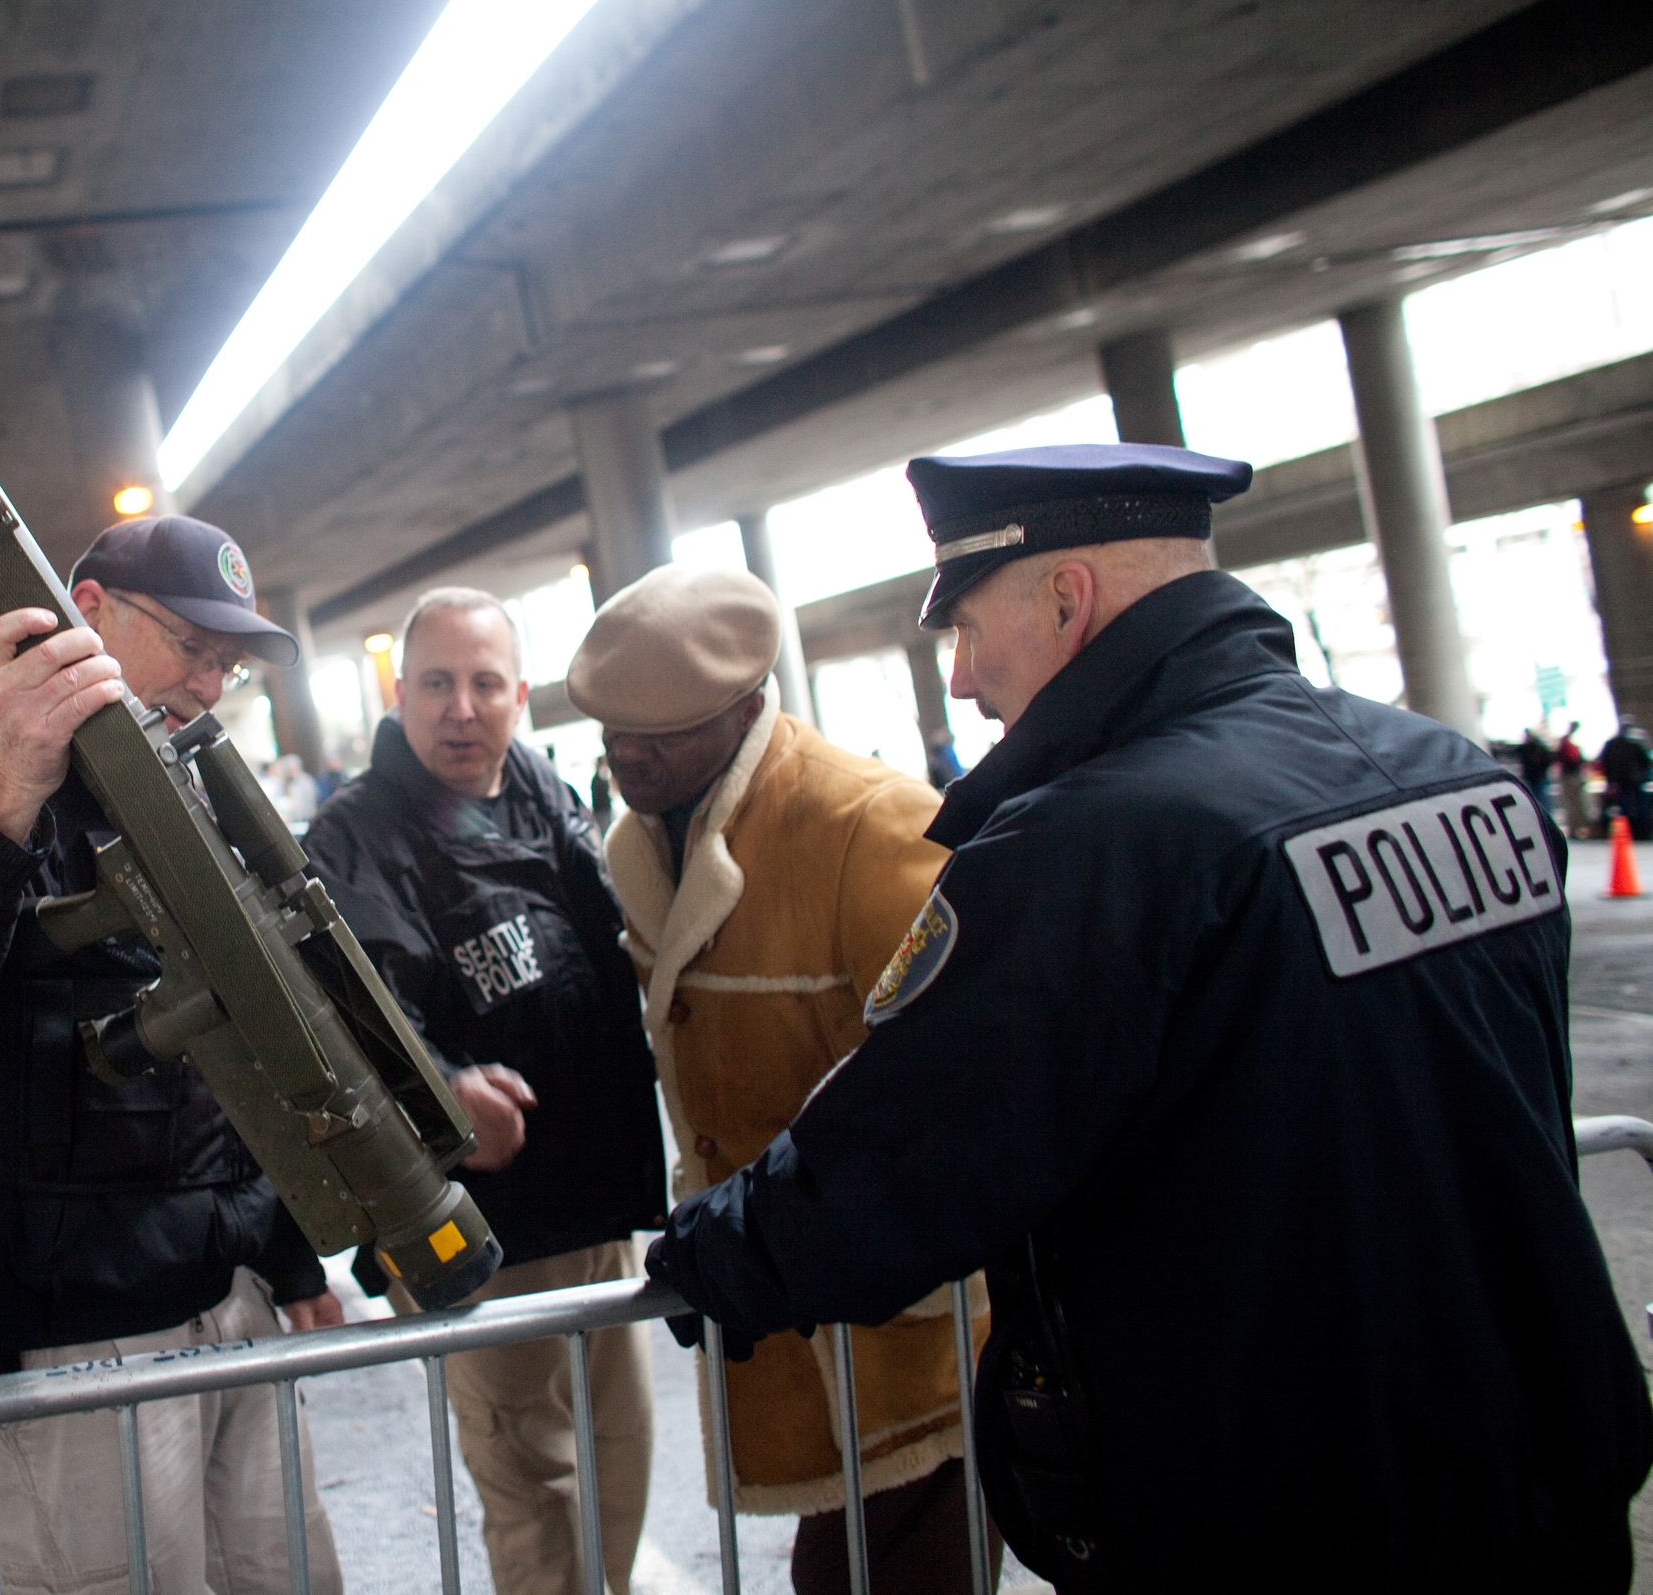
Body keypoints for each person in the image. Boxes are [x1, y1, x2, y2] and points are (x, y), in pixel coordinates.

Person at [645, 444, 1653, 1592]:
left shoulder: (1096, 843)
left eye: (966, 628)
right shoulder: (1457, 775)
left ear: (1066, 598)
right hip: (1546, 1462)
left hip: (1285, 1512)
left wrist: (709, 1253)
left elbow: (906, 1161)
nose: (963, 679)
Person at [0, 515, 345, 1595]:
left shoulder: (182, 786)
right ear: (88, 612)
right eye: (191, 645)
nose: (209, 684)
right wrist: (4, 793)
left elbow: (239, 1042)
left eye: (226, 663)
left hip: (229, 1293)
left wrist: (284, 1258)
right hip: (60, 1329)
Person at [566, 566, 988, 1595]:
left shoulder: (868, 823)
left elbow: (959, 1085)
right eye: (615, 732)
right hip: (782, 1294)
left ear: (749, 706)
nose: (629, 755)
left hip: (901, 1317)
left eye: (663, 733)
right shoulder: (642, 840)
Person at [303, 588, 666, 1595]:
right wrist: (445, 1092)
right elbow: (339, 1019)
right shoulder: (352, 836)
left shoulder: (546, 789)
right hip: (476, 1235)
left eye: (484, 683)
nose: (460, 709)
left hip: (594, 1202)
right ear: (399, 692)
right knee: (532, 1489)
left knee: (620, 1454)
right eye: (435, 683)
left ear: (520, 694)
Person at [1598, 722, 1649, 840]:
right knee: (1638, 808)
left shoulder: (1612, 744)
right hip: (1634, 781)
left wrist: (1611, 780)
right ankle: (1640, 832)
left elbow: (1605, 762)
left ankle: (1627, 832)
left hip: (1621, 782)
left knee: (1624, 808)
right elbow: (1645, 761)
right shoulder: (1636, 743)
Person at [1557, 720, 1591, 839]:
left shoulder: (1570, 743)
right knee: (1573, 804)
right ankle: (1576, 829)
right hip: (1570, 775)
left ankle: (1579, 828)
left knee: (1576, 804)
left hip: (1573, 775)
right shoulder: (1567, 743)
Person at [1514, 727, 1554, 821]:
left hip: (1539, 777)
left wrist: (1541, 770)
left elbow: (1546, 760)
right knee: (1537, 797)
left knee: (1542, 798)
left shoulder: (1537, 747)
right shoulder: (1527, 748)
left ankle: (1545, 816)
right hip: (1533, 777)